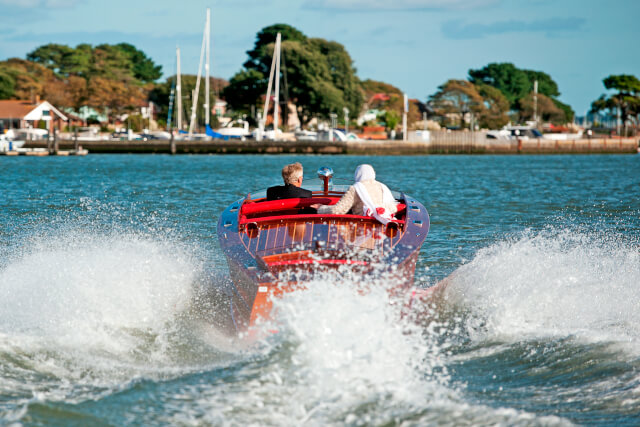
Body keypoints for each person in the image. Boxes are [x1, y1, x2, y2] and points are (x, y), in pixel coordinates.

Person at [314, 164, 397, 224]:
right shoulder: (383, 187)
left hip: (363, 227)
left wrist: (320, 208)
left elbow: (338, 210)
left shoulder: (355, 188)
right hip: (383, 227)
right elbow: (393, 209)